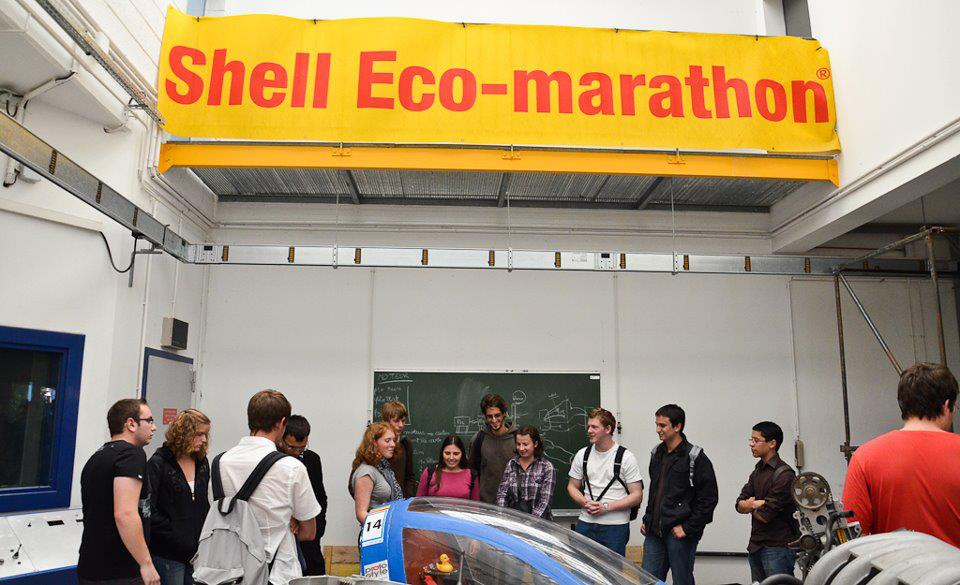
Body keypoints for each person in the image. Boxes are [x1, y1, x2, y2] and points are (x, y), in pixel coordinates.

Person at [842, 362, 960, 547]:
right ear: (947, 406)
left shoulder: (865, 457)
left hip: (893, 565)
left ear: (903, 405)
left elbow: (853, 539)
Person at [216, 390, 321, 585]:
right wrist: (289, 521)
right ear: (282, 423)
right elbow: (308, 533)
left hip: (226, 572)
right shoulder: (291, 467)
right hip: (274, 573)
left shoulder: (219, 463)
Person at [77, 398, 160, 585]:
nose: (154, 427)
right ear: (131, 424)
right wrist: (146, 563)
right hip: (120, 571)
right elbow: (125, 513)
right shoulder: (131, 455)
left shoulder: (97, 457)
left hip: (91, 568)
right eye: (149, 421)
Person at [641, 404, 718, 585]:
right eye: (656, 424)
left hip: (680, 533)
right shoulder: (656, 453)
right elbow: (655, 492)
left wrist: (688, 527)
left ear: (677, 427)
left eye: (662, 425)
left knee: (682, 581)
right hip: (654, 531)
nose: (657, 430)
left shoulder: (695, 457)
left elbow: (709, 499)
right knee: (648, 580)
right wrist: (648, 518)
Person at [567, 408, 643, 556]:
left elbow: (637, 495)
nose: (589, 430)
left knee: (612, 570)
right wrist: (585, 502)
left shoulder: (626, 457)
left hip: (615, 527)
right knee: (582, 567)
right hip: (585, 523)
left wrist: (606, 507)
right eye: (588, 426)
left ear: (608, 429)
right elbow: (572, 486)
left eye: (594, 427)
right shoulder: (582, 455)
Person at [147, 409, 211, 585]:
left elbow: (202, 503)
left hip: (196, 552)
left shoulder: (202, 462)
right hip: (168, 553)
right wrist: (175, 534)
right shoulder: (158, 463)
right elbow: (148, 510)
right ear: (184, 433)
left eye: (205, 434)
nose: (204, 440)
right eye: (199, 434)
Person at [735, 421, 800, 582]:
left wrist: (750, 505)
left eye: (756, 440)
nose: (751, 444)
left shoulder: (785, 475)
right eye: (751, 440)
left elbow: (766, 515)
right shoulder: (758, 471)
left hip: (777, 548)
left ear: (772, 443)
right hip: (755, 546)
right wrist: (754, 504)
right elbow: (739, 504)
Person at [277, 415, 328, 576]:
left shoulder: (312, 459)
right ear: (282, 438)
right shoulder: (273, 461)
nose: (296, 453)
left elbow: (320, 498)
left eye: (301, 448)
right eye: (291, 447)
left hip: (309, 540)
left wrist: (315, 531)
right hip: (281, 538)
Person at [496, 425, 555, 519]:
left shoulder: (546, 467)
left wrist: (530, 523)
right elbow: (502, 494)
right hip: (514, 521)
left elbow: (545, 502)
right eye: (518, 444)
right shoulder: (511, 464)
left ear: (535, 444)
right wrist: (502, 516)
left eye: (525, 444)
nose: (521, 448)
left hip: (539, 523)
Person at [468, 393, 518, 504]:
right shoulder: (478, 440)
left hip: (513, 506)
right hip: (487, 505)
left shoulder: (517, 439)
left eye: (497, 415)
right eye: (490, 416)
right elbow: (471, 472)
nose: (494, 420)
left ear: (504, 414)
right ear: (485, 417)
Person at [350, 422, 404, 524]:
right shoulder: (366, 472)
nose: (393, 444)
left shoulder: (384, 469)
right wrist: (386, 525)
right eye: (387, 440)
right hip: (378, 530)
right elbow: (361, 514)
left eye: (393, 440)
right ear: (374, 443)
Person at [416, 435, 480, 500]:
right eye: (447, 453)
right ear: (442, 453)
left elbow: (475, 504)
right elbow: (419, 502)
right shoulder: (430, 472)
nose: (451, 458)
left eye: (456, 454)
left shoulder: (472, 475)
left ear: (462, 454)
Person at [382, 401, 417, 498]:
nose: (401, 425)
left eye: (403, 420)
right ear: (386, 422)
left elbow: (409, 476)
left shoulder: (405, 444)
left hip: (399, 501)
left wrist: (407, 499)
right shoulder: (376, 443)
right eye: (396, 421)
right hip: (379, 503)